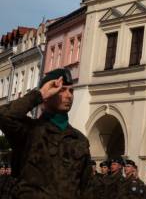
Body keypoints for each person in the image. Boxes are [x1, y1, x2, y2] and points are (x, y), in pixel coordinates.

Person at [0, 67, 91, 198]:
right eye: (62, 90)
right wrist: (40, 94)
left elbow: (87, 188)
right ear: (48, 95)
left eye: (71, 90)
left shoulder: (79, 140)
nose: (69, 95)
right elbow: (4, 115)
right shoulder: (29, 130)